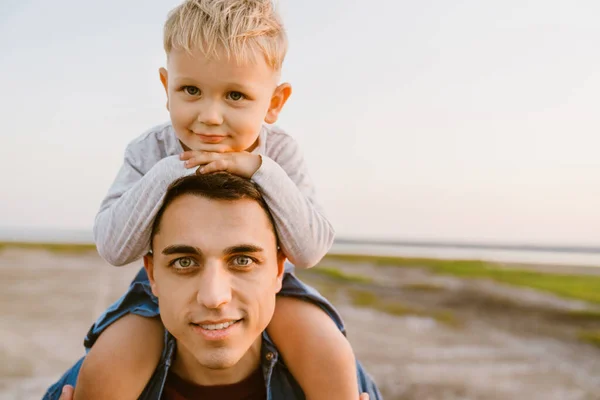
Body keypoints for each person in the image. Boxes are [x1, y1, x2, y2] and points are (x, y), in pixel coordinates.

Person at [69, 0, 362, 398]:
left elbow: (309, 250)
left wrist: (261, 170)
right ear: (165, 87)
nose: (209, 115)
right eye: (190, 90)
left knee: (330, 354)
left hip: (268, 280)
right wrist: (171, 170)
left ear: (274, 103)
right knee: (108, 363)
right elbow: (113, 246)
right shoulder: (150, 151)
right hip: (164, 284)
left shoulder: (281, 154)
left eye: (236, 96)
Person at [44, 173, 381, 399]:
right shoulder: (96, 382)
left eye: (243, 260)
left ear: (279, 270)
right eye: (184, 262)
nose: (214, 297)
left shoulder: (338, 382)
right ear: (152, 275)